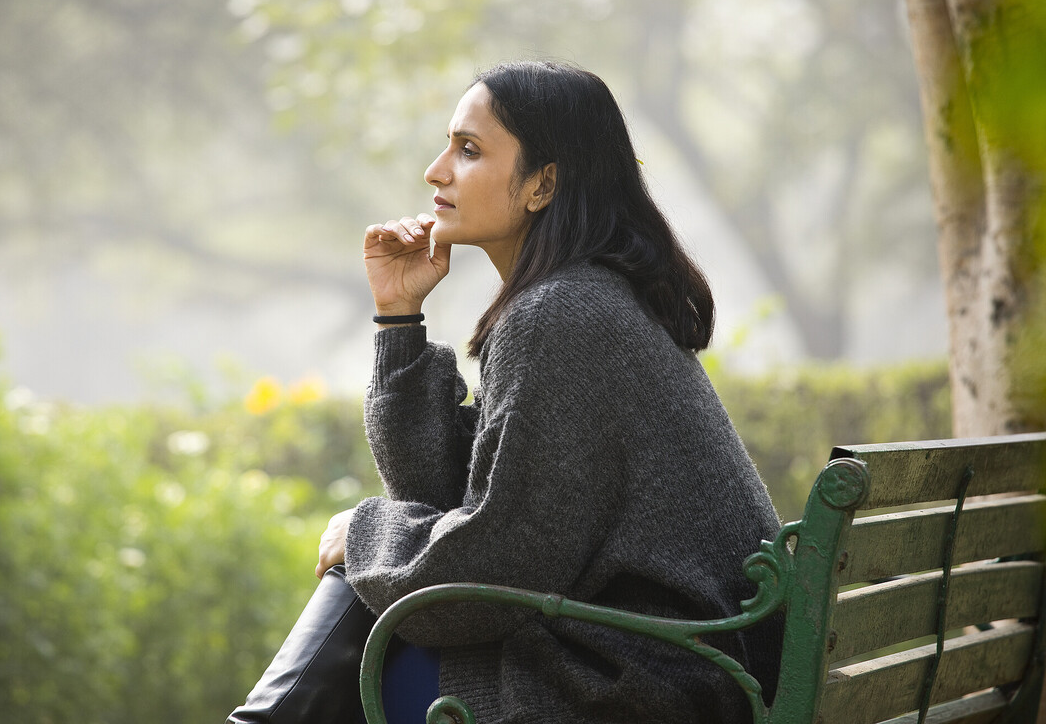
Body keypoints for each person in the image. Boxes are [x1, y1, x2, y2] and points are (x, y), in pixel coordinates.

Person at [316, 60, 783, 724]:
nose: (436, 169)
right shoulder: (579, 300)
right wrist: (398, 316)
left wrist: (363, 536)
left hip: (645, 686)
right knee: (370, 600)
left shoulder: (565, 315)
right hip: (679, 669)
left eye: (469, 150)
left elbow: (494, 572)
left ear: (543, 185)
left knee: (364, 610)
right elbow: (450, 501)